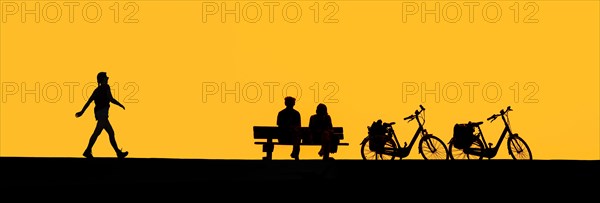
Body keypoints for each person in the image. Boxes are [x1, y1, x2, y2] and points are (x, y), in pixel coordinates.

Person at [75, 72, 128, 159]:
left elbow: (89, 101)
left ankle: (118, 152)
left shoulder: (97, 90)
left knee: (110, 133)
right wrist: (120, 105)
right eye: (106, 77)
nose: (108, 78)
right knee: (97, 133)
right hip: (102, 114)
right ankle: (88, 150)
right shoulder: (106, 87)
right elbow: (111, 99)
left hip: (100, 114)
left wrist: (82, 112)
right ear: (103, 79)